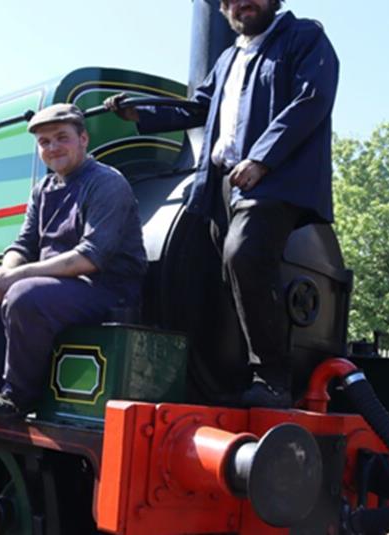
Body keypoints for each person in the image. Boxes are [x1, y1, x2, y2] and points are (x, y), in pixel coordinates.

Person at [105, 0, 338, 408]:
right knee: (222, 274)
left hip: (275, 178)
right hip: (224, 183)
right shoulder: (229, 57)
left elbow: (311, 100)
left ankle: (273, 380)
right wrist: (139, 113)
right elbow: (198, 107)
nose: (240, 3)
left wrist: (262, 158)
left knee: (244, 254)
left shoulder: (305, 37)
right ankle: (228, 381)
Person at [0, 104, 147, 420]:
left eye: (62, 138)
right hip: (60, 284)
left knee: (24, 294)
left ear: (83, 138)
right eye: (44, 142)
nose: (52, 147)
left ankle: (18, 396)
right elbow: (23, 244)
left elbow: (90, 256)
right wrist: (4, 273)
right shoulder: (43, 190)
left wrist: (14, 278)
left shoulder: (106, 183)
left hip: (105, 288)